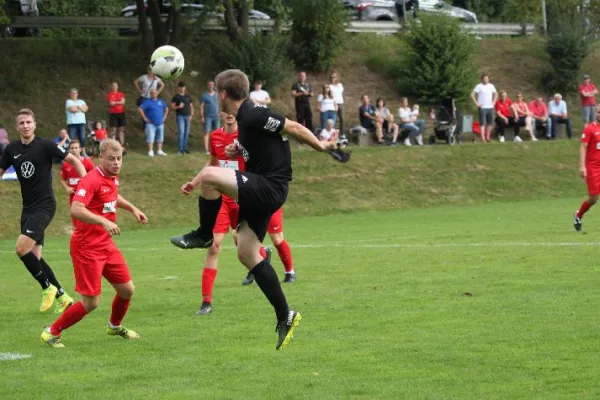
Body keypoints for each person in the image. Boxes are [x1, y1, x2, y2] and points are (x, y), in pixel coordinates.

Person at [171, 69, 338, 350]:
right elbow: (264, 145)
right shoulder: (244, 121)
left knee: (210, 176)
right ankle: (285, 314)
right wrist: (241, 150)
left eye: (216, 93)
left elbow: (293, 128)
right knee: (246, 252)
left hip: (271, 186)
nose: (215, 97)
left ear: (223, 94)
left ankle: (204, 234)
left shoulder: (253, 114)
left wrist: (321, 146)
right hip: (264, 188)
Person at [40, 139, 148, 348]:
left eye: (119, 159)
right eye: (111, 159)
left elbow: (113, 197)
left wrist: (133, 209)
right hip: (87, 247)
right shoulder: (91, 179)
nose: (116, 163)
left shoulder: (111, 178)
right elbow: (76, 209)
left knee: (127, 289)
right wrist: (104, 221)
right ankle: (51, 332)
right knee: (91, 302)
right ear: (101, 158)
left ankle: (114, 326)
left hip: (105, 245)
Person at [170, 113, 273, 315]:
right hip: (222, 201)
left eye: (232, 112)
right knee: (214, 246)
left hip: (244, 199)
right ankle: (206, 302)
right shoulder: (216, 137)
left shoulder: (247, 137)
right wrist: (194, 182)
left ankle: (263, 254)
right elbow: (212, 164)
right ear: (219, 113)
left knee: (241, 243)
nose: (228, 115)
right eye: (224, 111)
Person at [0, 108, 87, 314]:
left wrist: (85, 186)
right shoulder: (11, 149)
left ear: (35, 124)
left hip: (45, 206)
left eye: (29, 122)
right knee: (34, 257)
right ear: (17, 126)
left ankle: (47, 287)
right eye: (21, 123)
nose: (25, 126)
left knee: (21, 249)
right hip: (27, 209)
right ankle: (62, 296)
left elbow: (74, 160)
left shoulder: (45, 145)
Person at [59, 140, 95, 223]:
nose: (74, 150)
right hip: (73, 197)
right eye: (72, 148)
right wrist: (67, 187)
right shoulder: (66, 164)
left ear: (80, 149)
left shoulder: (87, 162)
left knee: (88, 220)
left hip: (86, 197)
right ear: (69, 150)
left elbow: (95, 177)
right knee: (76, 221)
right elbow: (62, 179)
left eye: (76, 148)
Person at [138, 88, 168, 157]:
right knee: (150, 137)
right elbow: (140, 108)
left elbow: (166, 108)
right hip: (150, 124)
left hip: (160, 123)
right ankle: (150, 151)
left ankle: (159, 150)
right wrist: (144, 118)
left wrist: (165, 116)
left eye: (155, 92)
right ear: (150, 94)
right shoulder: (147, 102)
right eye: (152, 93)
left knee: (160, 137)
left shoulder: (161, 101)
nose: (153, 94)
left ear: (157, 93)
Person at [470, 74, 498, 143]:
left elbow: (496, 94)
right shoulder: (479, 86)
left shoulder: (491, 86)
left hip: (490, 107)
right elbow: (472, 94)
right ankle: (483, 139)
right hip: (482, 108)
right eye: (484, 79)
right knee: (482, 123)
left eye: (487, 79)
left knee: (490, 123)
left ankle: (488, 137)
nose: (486, 80)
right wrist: (477, 103)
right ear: (482, 79)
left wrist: (494, 102)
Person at [171, 81, 194, 155]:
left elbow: (191, 106)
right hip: (180, 116)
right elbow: (172, 106)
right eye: (180, 87)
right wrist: (178, 107)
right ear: (178, 88)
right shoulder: (176, 97)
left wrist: (191, 115)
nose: (182, 88)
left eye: (183, 87)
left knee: (186, 133)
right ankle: (180, 149)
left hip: (187, 116)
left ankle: (185, 148)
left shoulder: (188, 96)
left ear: (185, 88)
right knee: (181, 132)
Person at [199, 81, 220, 154]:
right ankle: (206, 150)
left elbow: (221, 104)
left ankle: (216, 149)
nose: (211, 86)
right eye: (209, 85)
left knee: (217, 133)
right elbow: (201, 106)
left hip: (216, 116)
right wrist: (202, 117)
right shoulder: (204, 95)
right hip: (207, 116)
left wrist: (221, 112)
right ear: (207, 86)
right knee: (207, 132)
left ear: (214, 86)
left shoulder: (217, 95)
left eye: (212, 85)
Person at [107, 82, 127, 148]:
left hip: (121, 113)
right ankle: (113, 145)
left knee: (121, 130)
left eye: (115, 86)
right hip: (113, 113)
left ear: (117, 87)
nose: (114, 87)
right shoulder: (110, 94)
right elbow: (111, 103)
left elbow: (123, 102)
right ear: (111, 87)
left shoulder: (121, 94)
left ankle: (122, 145)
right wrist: (119, 102)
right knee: (113, 130)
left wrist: (115, 102)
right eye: (113, 86)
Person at [329, 70, 345, 136]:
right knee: (334, 119)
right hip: (333, 103)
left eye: (334, 77)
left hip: (340, 103)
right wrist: (334, 103)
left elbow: (340, 92)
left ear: (336, 78)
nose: (332, 78)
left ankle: (342, 133)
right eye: (331, 77)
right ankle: (333, 134)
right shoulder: (330, 86)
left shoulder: (340, 85)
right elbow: (331, 95)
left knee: (342, 118)